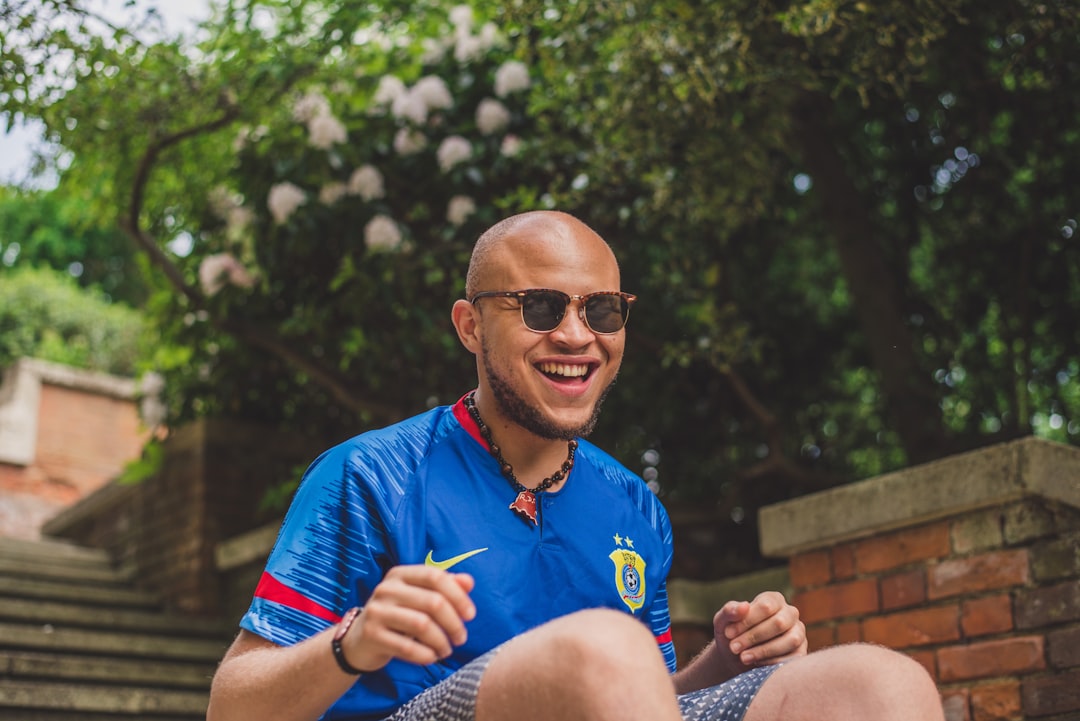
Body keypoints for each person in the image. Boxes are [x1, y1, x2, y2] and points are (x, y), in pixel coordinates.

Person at [207, 210, 945, 721]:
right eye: (538, 307)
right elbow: (231, 706)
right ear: (470, 325)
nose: (575, 335)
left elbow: (639, 697)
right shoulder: (369, 475)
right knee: (603, 643)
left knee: (878, 681)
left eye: (602, 311)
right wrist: (352, 640)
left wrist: (724, 661)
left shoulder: (633, 505)